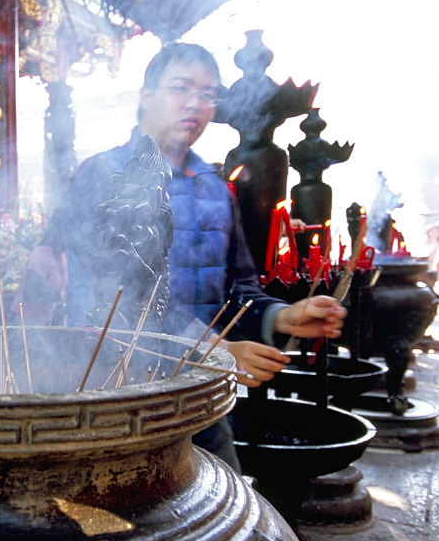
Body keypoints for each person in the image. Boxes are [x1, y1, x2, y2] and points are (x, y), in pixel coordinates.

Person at [62, 43, 346, 471]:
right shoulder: (105, 174)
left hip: (198, 390)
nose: (196, 103)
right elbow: (122, 295)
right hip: (115, 388)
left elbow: (238, 286)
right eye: (181, 88)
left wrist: (280, 316)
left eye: (209, 94)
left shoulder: (214, 186)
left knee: (221, 506)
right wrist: (214, 350)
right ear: (145, 96)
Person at [20, 208, 69, 326]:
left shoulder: (61, 255)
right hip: (28, 322)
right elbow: (30, 292)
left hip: (45, 321)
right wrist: (59, 296)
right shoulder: (42, 253)